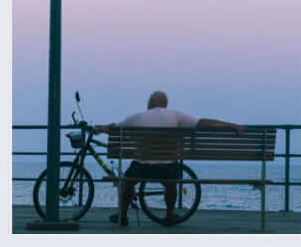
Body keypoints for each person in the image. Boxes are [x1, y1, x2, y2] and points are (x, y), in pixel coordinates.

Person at [93, 90, 244, 227]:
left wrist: (99, 128)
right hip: (168, 169)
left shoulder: (137, 117)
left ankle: (123, 216)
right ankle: (169, 215)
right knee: (171, 184)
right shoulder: (176, 115)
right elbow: (203, 123)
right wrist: (230, 125)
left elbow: (113, 127)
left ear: (150, 103)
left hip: (142, 168)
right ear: (165, 104)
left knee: (127, 183)